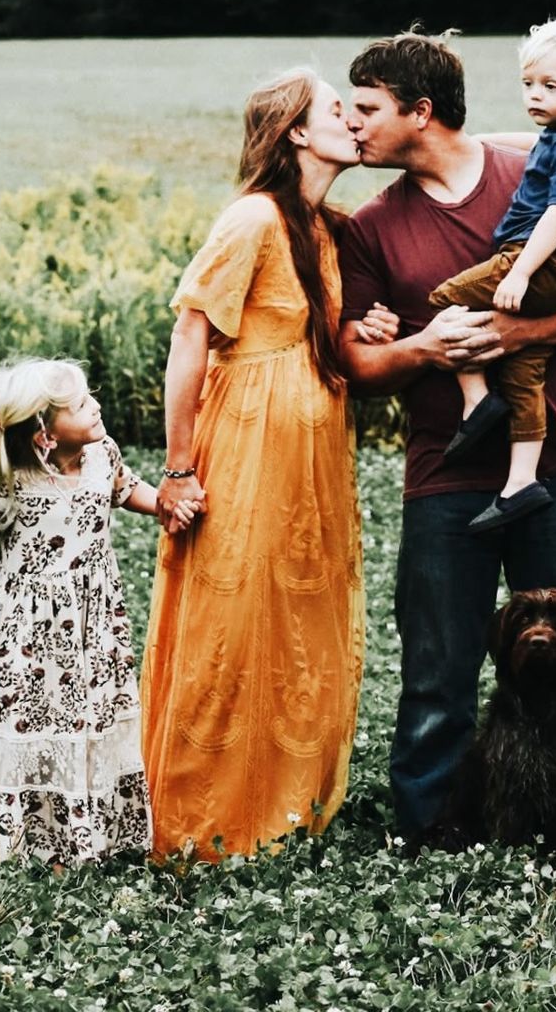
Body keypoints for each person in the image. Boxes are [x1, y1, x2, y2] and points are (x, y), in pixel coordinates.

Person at [337, 30, 556, 842]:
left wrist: (514, 338)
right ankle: (433, 840)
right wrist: (420, 348)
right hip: (446, 474)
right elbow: (360, 367)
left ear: (420, 110)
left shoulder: (535, 170)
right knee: (437, 675)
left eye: (367, 108)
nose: (353, 123)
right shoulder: (371, 227)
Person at [140, 69, 367, 861]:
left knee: (294, 621)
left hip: (310, 455)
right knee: (231, 624)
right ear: (296, 133)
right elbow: (190, 337)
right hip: (244, 442)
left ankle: (281, 804)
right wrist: (177, 468)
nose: (357, 120)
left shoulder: (321, 226)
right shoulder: (253, 219)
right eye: (340, 110)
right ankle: (203, 815)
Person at [0, 357, 195, 864]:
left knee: (85, 719)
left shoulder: (103, 455)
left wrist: (163, 505)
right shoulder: (16, 483)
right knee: (37, 722)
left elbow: (125, 487)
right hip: (28, 635)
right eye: (79, 404)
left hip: (92, 627)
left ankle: (88, 829)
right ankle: (24, 832)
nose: (95, 405)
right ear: (43, 434)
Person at [427, 16, 556, 533]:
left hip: (542, 264)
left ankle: (476, 401)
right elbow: (530, 143)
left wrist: (517, 275)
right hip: (549, 271)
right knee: (525, 370)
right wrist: (473, 143)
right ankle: (521, 483)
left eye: (549, 86)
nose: (534, 95)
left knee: (448, 298)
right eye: (528, 84)